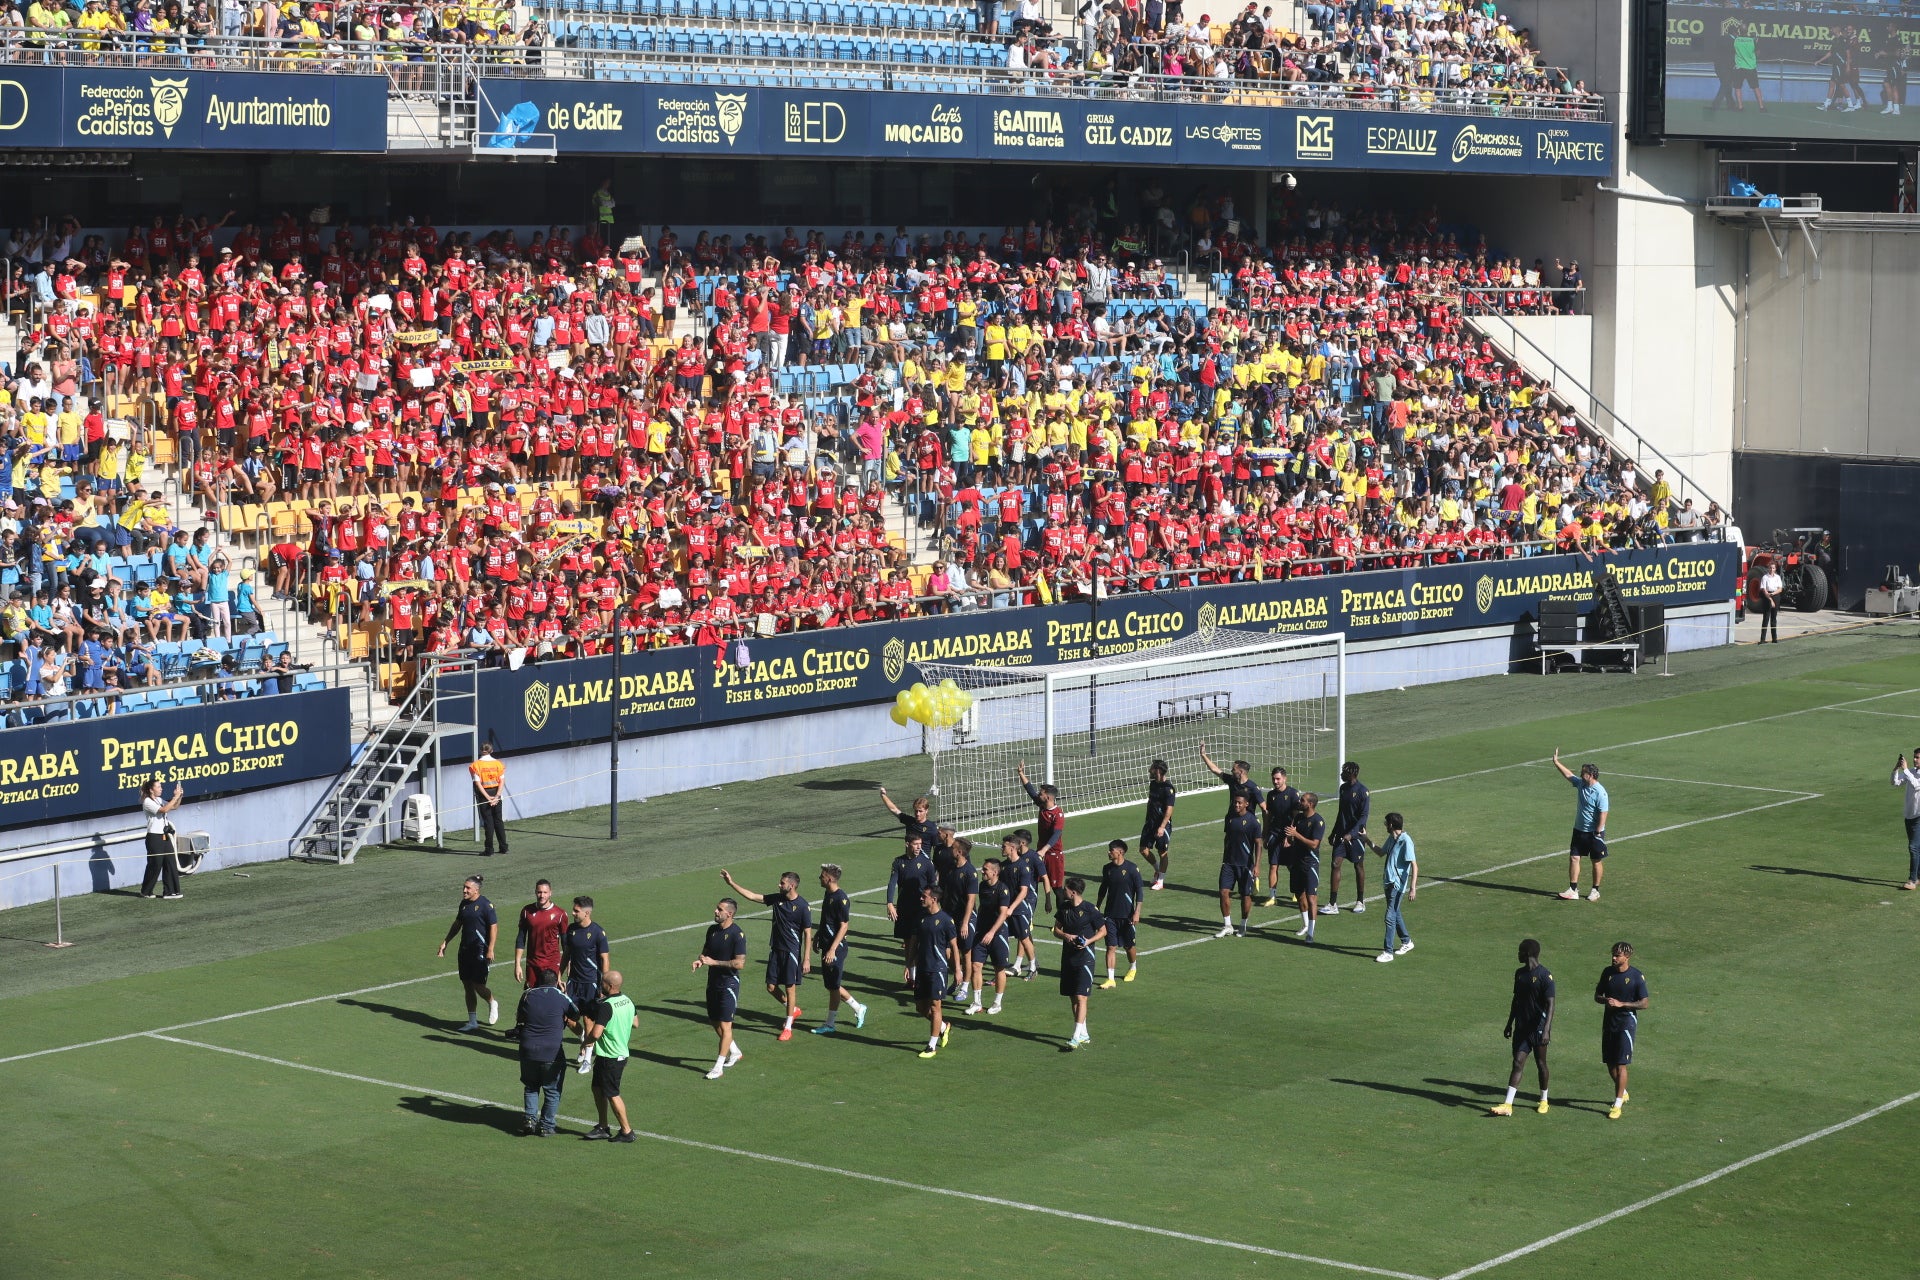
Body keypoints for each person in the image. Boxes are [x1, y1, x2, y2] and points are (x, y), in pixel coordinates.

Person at [720, 868, 812, 1041]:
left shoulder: (802, 906)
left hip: (791, 952)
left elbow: (807, 933)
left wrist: (806, 959)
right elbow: (753, 896)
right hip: (776, 950)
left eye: (782, 883)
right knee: (770, 987)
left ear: (791, 885)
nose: (779, 884)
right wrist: (731, 883)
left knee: (790, 987)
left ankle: (788, 1026)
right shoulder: (777, 899)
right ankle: (792, 1009)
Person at [1490, 938, 1555, 1116]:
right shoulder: (1519, 974)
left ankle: (1544, 1100)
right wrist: (1509, 1023)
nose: (1517, 954)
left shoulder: (1545, 976)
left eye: (1519, 951)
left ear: (1527, 954)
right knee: (1517, 1062)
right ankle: (1508, 1104)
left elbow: (1551, 1004)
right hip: (1522, 1028)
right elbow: (1516, 1000)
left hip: (1539, 1028)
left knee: (1541, 1063)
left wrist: (1547, 1029)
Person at [515, 966, 578, 1136]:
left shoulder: (527, 995)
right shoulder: (561, 997)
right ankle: (546, 1125)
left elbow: (520, 1017)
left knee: (531, 1085)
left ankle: (529, 1119)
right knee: (552, 1089)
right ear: (556, 983)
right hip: (552, 1051)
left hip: (528, 1048)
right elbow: (576, 1014)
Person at [692, 897, 748, 1080]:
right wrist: (700, 960)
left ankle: (718, 1067)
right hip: (713, 982)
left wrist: (714, 962)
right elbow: (705, 952)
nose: (716, 911)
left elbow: (740, 963)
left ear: (729, 914)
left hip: (728, 984)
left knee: (725, 1026)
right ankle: (735, 1051)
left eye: (720, 909)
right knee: (714, 1021)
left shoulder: (737, 934)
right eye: (717, 908)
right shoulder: (712, 930)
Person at [810, 863, 868, 1034]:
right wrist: (818, 936)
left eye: (821, 876)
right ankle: (858, 1008)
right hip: (827, 945)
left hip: (836, 948)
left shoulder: (841, 898)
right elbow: (826, 919)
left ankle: (830, 1023)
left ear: (829, 878)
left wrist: (832, 949)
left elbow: (844, 926)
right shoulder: (828, 893)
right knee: (831, 985)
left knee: (833, 986)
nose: (819, 878)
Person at [580, 969, 637, 1142]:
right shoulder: (627, 1000)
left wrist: (585, 1043)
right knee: (597, 1088)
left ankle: (627, 1131)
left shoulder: (607, 1006)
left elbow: (596, 1034)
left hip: (611, 1056)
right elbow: (635, 1023)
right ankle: (603, 1126)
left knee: (612, 1093)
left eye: (603, 982)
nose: (600, 985)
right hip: (613, 1054)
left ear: (610, 986)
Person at [1050, 876, 1107, 1049]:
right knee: (1073, 997)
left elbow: (1103, 931)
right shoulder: (1064, 908)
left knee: (1082, 997)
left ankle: (1075, 1037)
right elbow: (1056, 929)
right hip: (1068, 958)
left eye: (1065, 889)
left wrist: (1088, 941)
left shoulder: (1090, 909)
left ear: (1073, 892)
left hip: (1085, 958)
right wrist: (1066, 935)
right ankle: (1084, 1033)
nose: (1063, 891)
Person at [1595, 941, 1650, 1121]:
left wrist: (1622, 1004)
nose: (1613, 957)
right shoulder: (1607, 973)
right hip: (1609, 1022)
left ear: (1627, 957)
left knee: (1621, 1064)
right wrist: (1606, 1001)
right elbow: (1597, 996)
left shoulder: (1636, 976)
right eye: (1613, 954)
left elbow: (1644, 1003)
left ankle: (1617, 1104)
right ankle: (1623, 1091)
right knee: (1610, 1063)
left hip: (1626, 1023)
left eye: (1617, 955)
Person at [437, 874, 499, 1031]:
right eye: (464, 887)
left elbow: (493, 927)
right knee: (467, 985)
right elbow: (458, 924)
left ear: (476, 890)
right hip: (465, 949)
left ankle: (492, 1002)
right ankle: (472, 1021)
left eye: (467, 888)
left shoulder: (486, 905)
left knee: (478, 985)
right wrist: (446, 941)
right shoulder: (464, 904)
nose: (464, 890)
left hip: (480, 949)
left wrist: (490, 949)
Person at [509, 880, 568, 1041]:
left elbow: (566, 943)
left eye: (544, 892)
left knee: (554, 997)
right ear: (535, 892)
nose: (541, 895)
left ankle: (556, 1028)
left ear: (551, 893)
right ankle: (523, 1028)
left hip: (551, 963)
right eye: (539, 892)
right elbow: (521, 939)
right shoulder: (527, 911)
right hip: (533, 963)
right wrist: (517, 964)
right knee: (529, 995)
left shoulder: (560, 914)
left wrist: (568, 964)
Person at [1553, 750, 1610, 901]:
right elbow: (1568, 775)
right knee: (1574, 858)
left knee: (1595, 861)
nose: (1580, 774)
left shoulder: (1600, 792)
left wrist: (1598, 831)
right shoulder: (1581, 784)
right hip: (1579, 830)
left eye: (1583, 772)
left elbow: (1604, 813)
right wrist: (1557, 762)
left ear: (1590, 775)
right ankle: (1573, 889)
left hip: (1594, 832)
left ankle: (1595, 890)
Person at [911, 884, 959, 1059]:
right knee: (920, 1007)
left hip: (937, 969)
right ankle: (944, 1028)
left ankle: (931, 1046)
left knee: (935, 1005)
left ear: (934, 899)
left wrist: (958, 970)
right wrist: (909, 966)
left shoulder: (946, 920)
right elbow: (915, 944)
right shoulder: (921, 918)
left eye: (924, 896)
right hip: (922, 968)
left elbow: (953, 946)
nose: (921, 898)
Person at [965, 855, 1014, 1016]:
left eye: (985, 869)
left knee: (998, 969)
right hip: (981, 933)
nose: (982, 871)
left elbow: (1003, 914)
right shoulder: (982, 886)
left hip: (997, 934)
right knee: (975, 966)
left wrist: (992, 932)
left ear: (995, 872)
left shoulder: (1003, 890)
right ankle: (977, 1002)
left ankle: (997, 1003)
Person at [886, 832, 937, 984]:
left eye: (920, 844)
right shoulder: (898, 862)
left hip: (922, 909)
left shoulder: (927, 863)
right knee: (908, 942)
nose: (918, 847)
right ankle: (912, 976)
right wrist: (890, 903)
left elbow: (933, 887)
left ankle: (924, 974)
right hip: (904, 908)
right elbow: (892, 883)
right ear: (907, 844)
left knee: (923, 942)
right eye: (915, 844)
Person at [561, 895, 610, 1048]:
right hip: (573, 981)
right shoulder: (571, 930)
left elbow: (604, 959)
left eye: (576, 911)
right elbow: (567, 954)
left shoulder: (597, 932)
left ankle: (587, 1057)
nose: (573, 913)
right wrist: (558, 974)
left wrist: (604, 984)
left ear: (587, 913)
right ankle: (584, 1038)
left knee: (588, 1019)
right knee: (567, 1018)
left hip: (591, 982)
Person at [1322, 762, 1370, 915]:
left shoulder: (1363, 792)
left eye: (1344, 772)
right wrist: (1334, 832)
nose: (1341, 774)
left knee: (1358, 866)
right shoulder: (1343, 789)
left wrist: (1352, 833)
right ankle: (1332, 903)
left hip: (1356, 837)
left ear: (1352, 774)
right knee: (1335, 864)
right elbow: (1341, 812)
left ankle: (1360, 901)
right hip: (1342, 835)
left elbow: (1363, 817)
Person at [1370, 813, 1417, 963]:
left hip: (1397, 885)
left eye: (1386, 823)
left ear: (1391, 825)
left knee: (1389, 917)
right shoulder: (1392, 838)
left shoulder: (1406, 841)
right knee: (1395, 913)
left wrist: (1412, 888)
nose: (1384, 825)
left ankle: (1388, 952)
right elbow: (1381, 852)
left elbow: (1414, 866)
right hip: (1388, 883)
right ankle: (1407, 941)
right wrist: (1366, 839)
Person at [1015, 761, 1066, 900]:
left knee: (1056, 889)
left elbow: (1056, 834)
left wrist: (1044, 850)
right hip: (1040, 853)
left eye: (1041, 793)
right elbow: (1030, 790)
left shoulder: (1058, 815)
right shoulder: (1043, 805)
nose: (1039, 794)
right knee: (1031, 882)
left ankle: (1061, 921)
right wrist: (1021, 774)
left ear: (1048, 797)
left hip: (1054, 855)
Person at [1097, 839, 1143, 987]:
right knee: (1111, 946)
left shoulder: (1132, 869)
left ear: (1120, 852)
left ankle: (1133, 967)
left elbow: (1139, 893)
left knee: (1129, 946)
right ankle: (1110, 979)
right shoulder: (1107, 869)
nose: (1109, 852)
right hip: (1110, 915)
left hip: (1127, 915)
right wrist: (1097, 906)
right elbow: (1103, 888)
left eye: (1111, 850)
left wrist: (1137, 913)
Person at [1216, 790, 1261, 939]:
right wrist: (1224, 856)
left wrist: (1257, 865)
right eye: (1235, 802)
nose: (1236, 804)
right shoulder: (1229, 817)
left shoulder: (1253, 821)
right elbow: (1226, 837)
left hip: (1245, 865)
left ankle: (1243, 924)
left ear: (1246, 804)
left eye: (1239, 802)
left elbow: (1258, 843)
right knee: (1223, 892)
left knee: (1245, 895)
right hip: (1229, 863)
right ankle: (1227, 925)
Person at [940, 837, 979, 1002]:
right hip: (949, 915)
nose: (951, 849)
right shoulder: (950, 868)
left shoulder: (970, 872)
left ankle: (964, 987)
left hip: (965, 917)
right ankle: (958, 975)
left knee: (966, 952)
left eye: (954, 847)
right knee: (947, 950)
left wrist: (965, 922)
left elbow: (971, 900)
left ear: (960, 852)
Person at [1284, 792, 1326, 942]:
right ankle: (1305, 925)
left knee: (1311, 897)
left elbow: (1315, 844)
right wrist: (1288, 838)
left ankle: (1311, 933)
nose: (1299, 802)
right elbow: (1291, 833)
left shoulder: (1318, 821)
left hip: (1310, 863)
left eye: (1302, 800)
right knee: (1299, 895)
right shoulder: (1298, 817)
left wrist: (1296, 835)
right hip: (1296, 861)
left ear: (1310, 804)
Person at [138, 777, 186, 900]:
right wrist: (174, 798)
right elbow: (163, 810)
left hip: (164, 836)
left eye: (161, 786)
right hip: (154, 837)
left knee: (170, 862)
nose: (161, 788)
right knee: (155, 864)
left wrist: (179, 796)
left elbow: (173, 807)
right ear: (151, 790)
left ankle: (170, 891)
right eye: (158, 787)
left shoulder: (159, 799)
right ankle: (146, 891)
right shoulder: (147, 802)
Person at [1261, 766, 1300, 907]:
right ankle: (1272, 896)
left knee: (1291, 865)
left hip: (1289, 834)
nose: (1275, 781)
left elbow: (1296, 817)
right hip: (1274, 834)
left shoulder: (1293, 794)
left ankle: (1297, 892)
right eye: (1273, 779)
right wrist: (1265, 835)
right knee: (1273, 865)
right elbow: (1269, 815)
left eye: (1278, 779)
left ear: (1285, 778)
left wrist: (1290, 836)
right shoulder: (1270, 795)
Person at [1140, 758, 1177, 890]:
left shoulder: (1169, 789)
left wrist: (1162, 827)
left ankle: (1160, 881)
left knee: (1162, 852)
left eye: (1152, 768)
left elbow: (1169, 809)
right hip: (1150, 823)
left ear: (1158, 771)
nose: (1150, 770)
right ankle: (1157, 870)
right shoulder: (1153, 784)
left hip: (1162, 825)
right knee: (1143, 850)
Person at [469, 741, 508, 856]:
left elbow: (478, 784)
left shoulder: (476, 765)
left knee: (488, 822)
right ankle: (504, 847)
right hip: (496, 793)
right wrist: (497, 796)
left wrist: (488, 798)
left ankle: (489, 849)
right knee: (498, 821)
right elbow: (502, 782)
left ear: (481, 750)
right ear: (492, 751)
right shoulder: (498, 764)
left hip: (484, 795)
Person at [1199, 745, 1262, 815]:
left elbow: (1264, 807)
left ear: (1241, 772)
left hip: (1247, 822)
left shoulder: (1253, 787)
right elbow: (1215, 770)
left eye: (1234, 769)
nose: (1231, 771)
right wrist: (1203, 755)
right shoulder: (1232, 780)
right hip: (1231, 819)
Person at [1892, 752, 1920, 890]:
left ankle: (1912, 880)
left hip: (1919, 816)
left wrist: (1906, 770)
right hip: (1909, 815)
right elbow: (1895, 782)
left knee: (1913, 847)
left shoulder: (1911, 773)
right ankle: (1919, 876)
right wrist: (1896, 769)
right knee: (1917, 847)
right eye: (1914, 757)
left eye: (1918, 757)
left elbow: (1916, 785)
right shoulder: (1911, 772)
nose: (1915, 759)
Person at [1756, 561, 1783, 644]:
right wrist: (1770, 600)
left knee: (1774, 618)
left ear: (1775, 569)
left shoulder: (1777, 577)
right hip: (1767, 596)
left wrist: (1773, 594)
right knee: (1766, 618)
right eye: (1770, 568)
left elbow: (1780, 589)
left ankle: (1774, 639)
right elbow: (1764, 590)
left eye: (1773, 568)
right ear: (1768, 568)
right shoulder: (1765, 577)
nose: (1772, 569)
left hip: (1775, 595)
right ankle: (1762, 639)